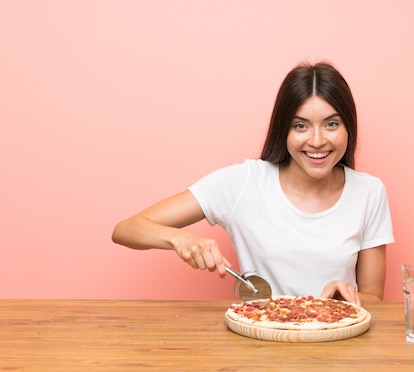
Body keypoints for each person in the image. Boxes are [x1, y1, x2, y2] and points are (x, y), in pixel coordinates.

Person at [112, 62, 394, 305]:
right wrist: (179, 238)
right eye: (300, 126)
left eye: (332, 124)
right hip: (260, 350)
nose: (317, 141)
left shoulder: (369, 192)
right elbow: (125, 230)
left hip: (339, 350)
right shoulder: (243, 184)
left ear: (349, 128)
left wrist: (349, 299)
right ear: (283, 129)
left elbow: (373, 297)